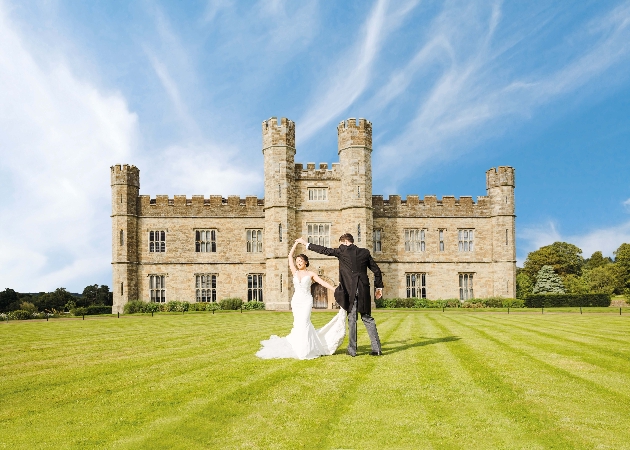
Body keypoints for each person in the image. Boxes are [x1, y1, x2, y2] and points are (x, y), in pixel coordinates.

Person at [256, 240, 348, 360]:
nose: (298, 263)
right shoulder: (294, 272)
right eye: (297, 261)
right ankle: (298, 346)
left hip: (306, 301)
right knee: (298, 324)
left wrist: (334, 288)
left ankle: (306, 349)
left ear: (306, 262)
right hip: (296, 301)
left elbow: (323, 283)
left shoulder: (311, 274)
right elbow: (289, 256)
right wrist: (296, 243)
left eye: (300, 261)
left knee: (305, 323)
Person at [298, 233, 383, 356]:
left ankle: (352, 350)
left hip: (351, 291)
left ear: (345, 242)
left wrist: (306, 243)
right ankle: (377, 349)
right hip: (364, 290)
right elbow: (376, 270)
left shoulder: (342, 251)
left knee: (352, 319)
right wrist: (378, 288)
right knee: (367, 318)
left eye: (341, 244)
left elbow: (324, 250)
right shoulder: (365, 252)